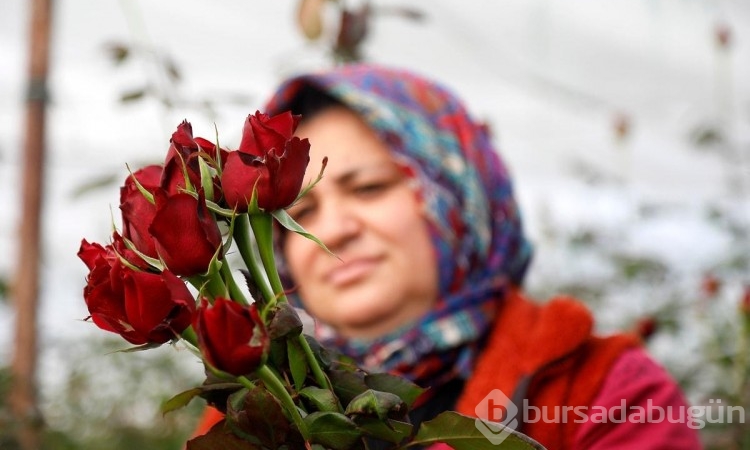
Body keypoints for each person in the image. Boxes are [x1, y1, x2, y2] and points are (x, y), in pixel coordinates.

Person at [194, 63, 702, 449]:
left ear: (459, 195)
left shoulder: (602, 392)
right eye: (299, 211)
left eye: (368, 188)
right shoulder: (248, 410)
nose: (334, 229)